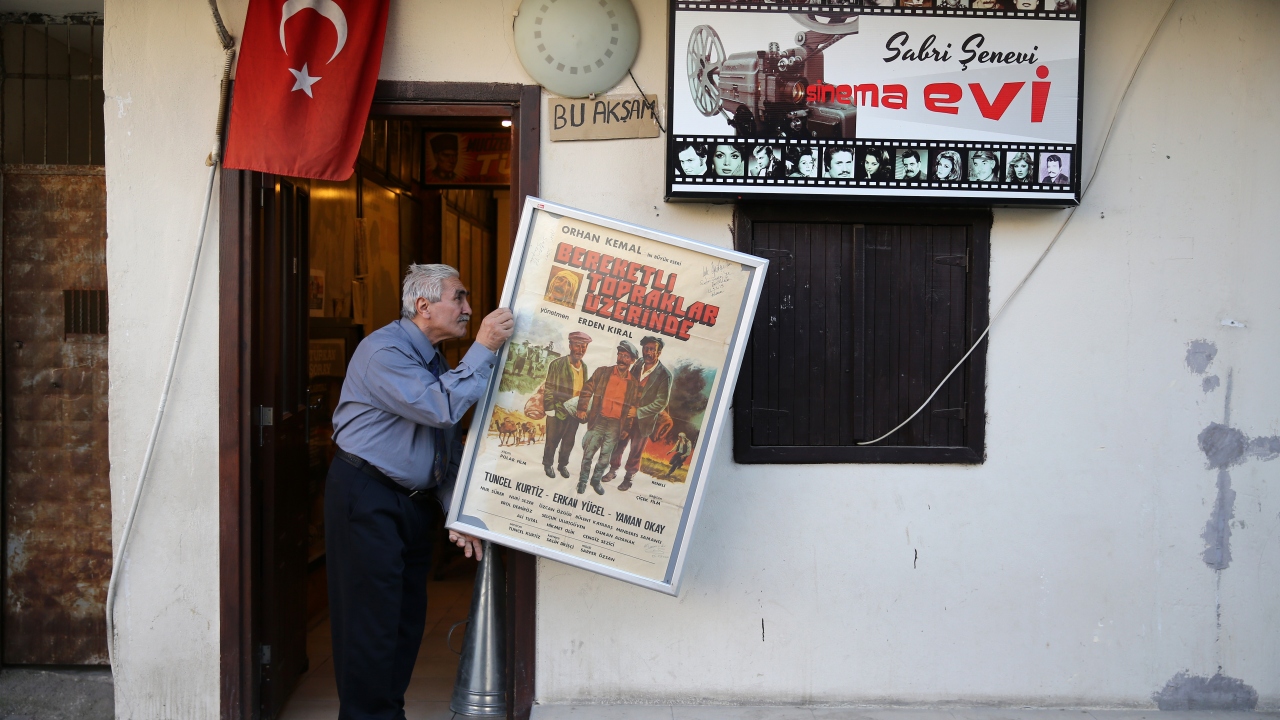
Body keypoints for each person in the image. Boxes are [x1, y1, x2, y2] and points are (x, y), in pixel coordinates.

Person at [326, 263, 513, 720]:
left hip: (409, 504)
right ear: (424, 306)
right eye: (460, 298)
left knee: (404, 623)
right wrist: (484, 348)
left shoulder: (431, 358)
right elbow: (441, 408)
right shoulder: (382, 352)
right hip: (366, 495)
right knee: (371, 626)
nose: (469, 310)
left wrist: (456, 514)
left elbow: (443, 451)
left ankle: (388, 713)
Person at [604, 336, 672, 492]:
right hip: (626, 417)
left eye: (651, 349)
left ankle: (628, 478)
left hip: (644, 421)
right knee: (618, 445)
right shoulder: (638, 364)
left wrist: (639, 411)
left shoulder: (665, 375)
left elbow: (661, 402)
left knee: (636, 451)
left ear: (659, 352)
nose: (647, 352)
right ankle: (613, 470)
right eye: (645, 348)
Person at [575, 341, 639, 495]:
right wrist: (582, 408)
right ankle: (582, 481)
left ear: (632, 361)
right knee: (588, 453)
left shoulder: (634, 384)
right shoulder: (602, 372)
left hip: (615, 426)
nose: (622, 359)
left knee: (605, 459)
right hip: (599, 420)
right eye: (620, 355)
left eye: (626, 356)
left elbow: (632, 409)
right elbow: (587, 388)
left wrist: (626, 428)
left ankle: (595, 481)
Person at [542, 331, 591, 478]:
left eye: (584, 347)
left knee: (568, 443)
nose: (581, 350)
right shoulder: (557, 364)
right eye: (578, 346)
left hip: (574, 414)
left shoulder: (585, 367)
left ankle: (562, 465)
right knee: (552, 441)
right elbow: (549, 387)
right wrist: (550, 408)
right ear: (570, 346)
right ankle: (548, 464)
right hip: (557, 411)